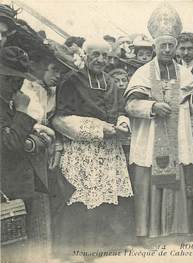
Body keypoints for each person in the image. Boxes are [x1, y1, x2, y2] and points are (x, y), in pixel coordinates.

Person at [124, 3, 193, 243]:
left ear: (176, 46)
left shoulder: (186, 74)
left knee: (179, 178)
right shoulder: (141, 73)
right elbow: (130, 105)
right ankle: (149, 235)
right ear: (155, 46)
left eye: (172, 45)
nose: (168, 49)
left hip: (178, 139)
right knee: (150, 178)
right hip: (150, 138)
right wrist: (151, 107)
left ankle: (178, 233)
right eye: (163, 45)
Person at [51, 39, 134, 260]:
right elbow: (60, 119)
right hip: (83, 150)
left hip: (108, 151)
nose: (100, 60)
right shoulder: (71, 81)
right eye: (95, 54)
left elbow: (120, 111)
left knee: (107, 196)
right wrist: (99, 129)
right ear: (85, 56)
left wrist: (123, 124)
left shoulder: (110, 81)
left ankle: (105, 245)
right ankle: (79, 249)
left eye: (105, 56)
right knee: (83, 196)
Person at [0, 46, 55, 262]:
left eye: (19, 80)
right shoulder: (14, 104)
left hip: (17, 183)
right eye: (9, 79)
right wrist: (22, 113)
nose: (15, 85)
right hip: (5, 185)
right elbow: (11, 143)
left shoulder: (8, 101)